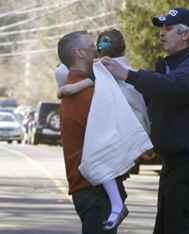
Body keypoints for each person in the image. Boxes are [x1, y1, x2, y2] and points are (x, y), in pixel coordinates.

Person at [102, 7, 189, 234]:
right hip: (174, 164)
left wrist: (128, 74)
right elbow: (154, 104)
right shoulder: (170, 67)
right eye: (161, 28)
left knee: (181, 228)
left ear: (185, 34)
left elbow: (173, 89)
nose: (161, 33)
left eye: (167, 28)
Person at [56, 29, 152, 231]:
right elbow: (113, 137)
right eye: (91, 45)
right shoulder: (90, 95)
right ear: (80, 53)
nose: (96, 49)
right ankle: (117, 204)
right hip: (95, 189)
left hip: (86, 186)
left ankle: (117, 203)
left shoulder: (74, 88)